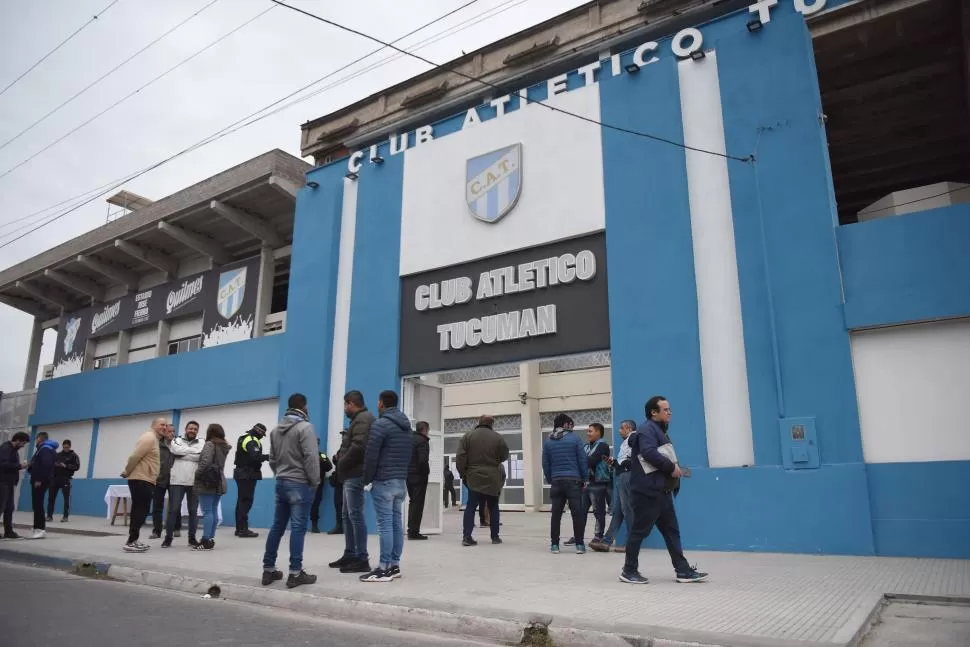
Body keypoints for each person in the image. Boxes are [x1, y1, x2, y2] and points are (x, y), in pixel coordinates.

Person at [621, 396, 708, 585]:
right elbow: (649, 453)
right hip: (648, 492)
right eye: (665, 409)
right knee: (639, 531)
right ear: (654, 412)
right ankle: (629, 571)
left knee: (671, 532)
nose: (670, 412)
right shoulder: (648, 430)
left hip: (662, 491)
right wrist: (671, 468)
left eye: (669, 409)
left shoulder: (658, 430)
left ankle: (683, 570)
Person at [261, 393, 320, 589]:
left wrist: (280, 474)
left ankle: (268, 570)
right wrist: (314, 481)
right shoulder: (306, 428)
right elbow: (311, 458)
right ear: (304, 407)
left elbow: (271, 459)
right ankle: (295, 573)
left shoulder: (275, 430)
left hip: (282, 482)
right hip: (300, 483)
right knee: (298, 528)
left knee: (277, 526)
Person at [359, 390, 412, 583]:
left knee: (385, 526)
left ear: (381, 403)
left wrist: (366, 479)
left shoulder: (380, 424)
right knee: (396, 524)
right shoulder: (407, 427)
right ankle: (394, 565)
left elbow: (371, 455)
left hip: (384, 481)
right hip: (400, 481)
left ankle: (383, 568)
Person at [328, 391, 374, 575]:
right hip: (349, 474)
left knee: (355, 515)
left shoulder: (363, 419)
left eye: (345, 405)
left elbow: (359, 447)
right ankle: (350, 553)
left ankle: (362, 558)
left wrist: (342, 461)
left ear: (351, 403)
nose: (345, 409)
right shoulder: (357, 420)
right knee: (347, 515)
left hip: (355, 474)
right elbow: (351, 445)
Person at [457, 415, 509, 547]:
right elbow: (504, 456)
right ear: (492, 424)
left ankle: (467, 537)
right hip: (492, 477)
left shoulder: (467, 437)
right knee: (493, 507)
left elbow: (460, 458)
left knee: (471, 506)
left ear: (479, 422)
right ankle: (495, 537)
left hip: (473, 477)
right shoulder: (498, 437)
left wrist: (464, 475)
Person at [121, 417, 171, 553]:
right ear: (154, 425)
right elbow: (134, 457)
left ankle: (133, 540)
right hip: (141, 479)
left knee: (139, 510)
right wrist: (127, 471)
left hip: (145, 479)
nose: (165, 427)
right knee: (141, 511)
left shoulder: (154, 439)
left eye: (166, 425)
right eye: (162, 424)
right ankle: (131, 541)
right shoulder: (149, 438)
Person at [541, 413, 588, 554]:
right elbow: (582, 460)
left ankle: (554, 545)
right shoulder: (575, 439)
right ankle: (579, 545)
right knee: (577, 513)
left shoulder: (548, 441)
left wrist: (551, 479)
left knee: (556, 514)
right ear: (567, 424)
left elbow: (545, 463)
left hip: (556, 481)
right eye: (571, 424)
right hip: (573, 481)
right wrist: (585, 478)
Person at [592, 419, 637, 552]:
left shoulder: (633, 437)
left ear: (629, 428)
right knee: (618, 511)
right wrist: (614, 463)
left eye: (622, 428)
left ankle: (632, 544)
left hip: (626, 476)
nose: (619, 431)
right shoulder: (628, 440)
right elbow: (625, 460)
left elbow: (640, 453)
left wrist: (629, 463)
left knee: (627, 510)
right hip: (622, 475)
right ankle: (606, 541)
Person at [163, 420, 204, 548]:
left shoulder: (202, 441)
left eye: (195, 429)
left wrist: (183, 453)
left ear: (197, 431)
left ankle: (192, 538)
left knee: (193, 511)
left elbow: (200, 456)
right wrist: (192, 452)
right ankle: (168, 538)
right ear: (186, 429)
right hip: (177, 481)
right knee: (174, 510)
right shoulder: (177, 440)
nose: (192, 431)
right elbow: (175, 451)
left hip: (194, 482)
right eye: (190, 428)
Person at [194, 424, 231, 551]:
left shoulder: (210, 444)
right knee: (213, 510)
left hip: (207, 482)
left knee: (207, 511)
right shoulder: (224, 446)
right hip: (219, 481)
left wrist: (197, 474)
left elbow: (205, 462)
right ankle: (210, 538)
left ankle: (205, 540)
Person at [233, 422, 268, 538]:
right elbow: (255, 457)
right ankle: (243, 529)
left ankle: (239, 528)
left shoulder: (244, 437)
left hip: (242, 473)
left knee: (241, 501)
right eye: (262, 434)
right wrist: (269, 457)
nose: (263, 436)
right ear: (259, 431)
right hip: (247, 474)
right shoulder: (251, 440)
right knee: (246, 501)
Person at [584, 423, 612, 544]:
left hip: (598, 484)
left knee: (598, 512)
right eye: (588, 431)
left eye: (590, 431)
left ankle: (598, 536)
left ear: (598, 432)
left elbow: (592, 460)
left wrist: (581, 461)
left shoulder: (603, 446)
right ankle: (578, 535)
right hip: (585, 483)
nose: (587, 434)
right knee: (580, 511)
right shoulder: (586, 447)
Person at [28, 432, 58, 539]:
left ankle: (40, 529)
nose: (36, 440)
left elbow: (46, 464)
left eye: (36, 438)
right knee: (36, 504)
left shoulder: (45, 449)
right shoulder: (45, 449)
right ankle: (37, 527)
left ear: (39, 438)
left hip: (40, 480)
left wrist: (39, 479)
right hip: (40, 479)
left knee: (38, 504)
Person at [0, 431, 31, 539]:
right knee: (1, 507)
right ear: (18, 440)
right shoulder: (6, 448)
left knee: (9, 508)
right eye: (23, 443)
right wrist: (19, 466)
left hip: (9, 483)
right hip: (2, 482)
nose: (23, 446)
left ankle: (9, 531)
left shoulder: (13, 450)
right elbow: (3, 464)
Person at [150, 423, 175, 539]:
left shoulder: (177, 446)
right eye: (169, 431)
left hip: (174, 480)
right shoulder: (157, 446)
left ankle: (176, 528)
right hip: (160, 479)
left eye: (173, 431)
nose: (172, 433)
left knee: (175, 506)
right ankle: (156, 531)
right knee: (157, 506)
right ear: (164, 433)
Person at [407, 421, 431, 540]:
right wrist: (426, 473)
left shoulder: (409, 439)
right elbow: (422, 461)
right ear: (425, 430)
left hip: (408, 476)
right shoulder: (423, 441)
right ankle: (414, 531)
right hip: (419, 477)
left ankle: (411, 529)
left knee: (413, 502)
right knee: (418, 504)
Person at [47, 439, 80, 523]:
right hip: (55, 478)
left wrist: (66, 466)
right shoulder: (58, 455)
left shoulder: (73, 455)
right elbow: (51, 464)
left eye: (67, 447)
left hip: (65, 478)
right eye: (64, 447)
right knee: (51, 498)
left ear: (70, 446)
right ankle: (49, 516)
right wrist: (55, 465)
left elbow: (77, 467)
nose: (65, 448)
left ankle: (65, 517)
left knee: (66, 498)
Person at [309, 438, 334, 533]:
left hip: (318, 485)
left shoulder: (322, 455)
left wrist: (322, 460)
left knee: (315, 504)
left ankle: (314, 525)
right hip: (307, 484)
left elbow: (329, 467)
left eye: (317, 443)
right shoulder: (305, 454)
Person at [325, 432, 346, 535]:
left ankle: (346, 528)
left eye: (344, 435)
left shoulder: (351, 447)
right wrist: (335, 460)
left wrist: (339, 461)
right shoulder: (341, 448)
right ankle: (339, 526)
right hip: (338, 481)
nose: (342, 437)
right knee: (338, 505)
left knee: (347, 506)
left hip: (346, 482)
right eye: (342, 436)